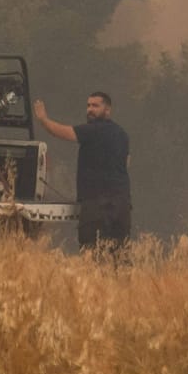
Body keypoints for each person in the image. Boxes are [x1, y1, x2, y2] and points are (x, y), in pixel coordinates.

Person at [35, 92, 131, 253]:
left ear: (108, 110)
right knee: (119, 258)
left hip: (97, 206)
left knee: (91, 255)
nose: (90, 109)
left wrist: (44, 120)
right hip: (122, 206)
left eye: (95, 106)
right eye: (88, 105)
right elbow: (127, 162)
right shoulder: (122, 134)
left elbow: (63, 132)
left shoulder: (93, 130)